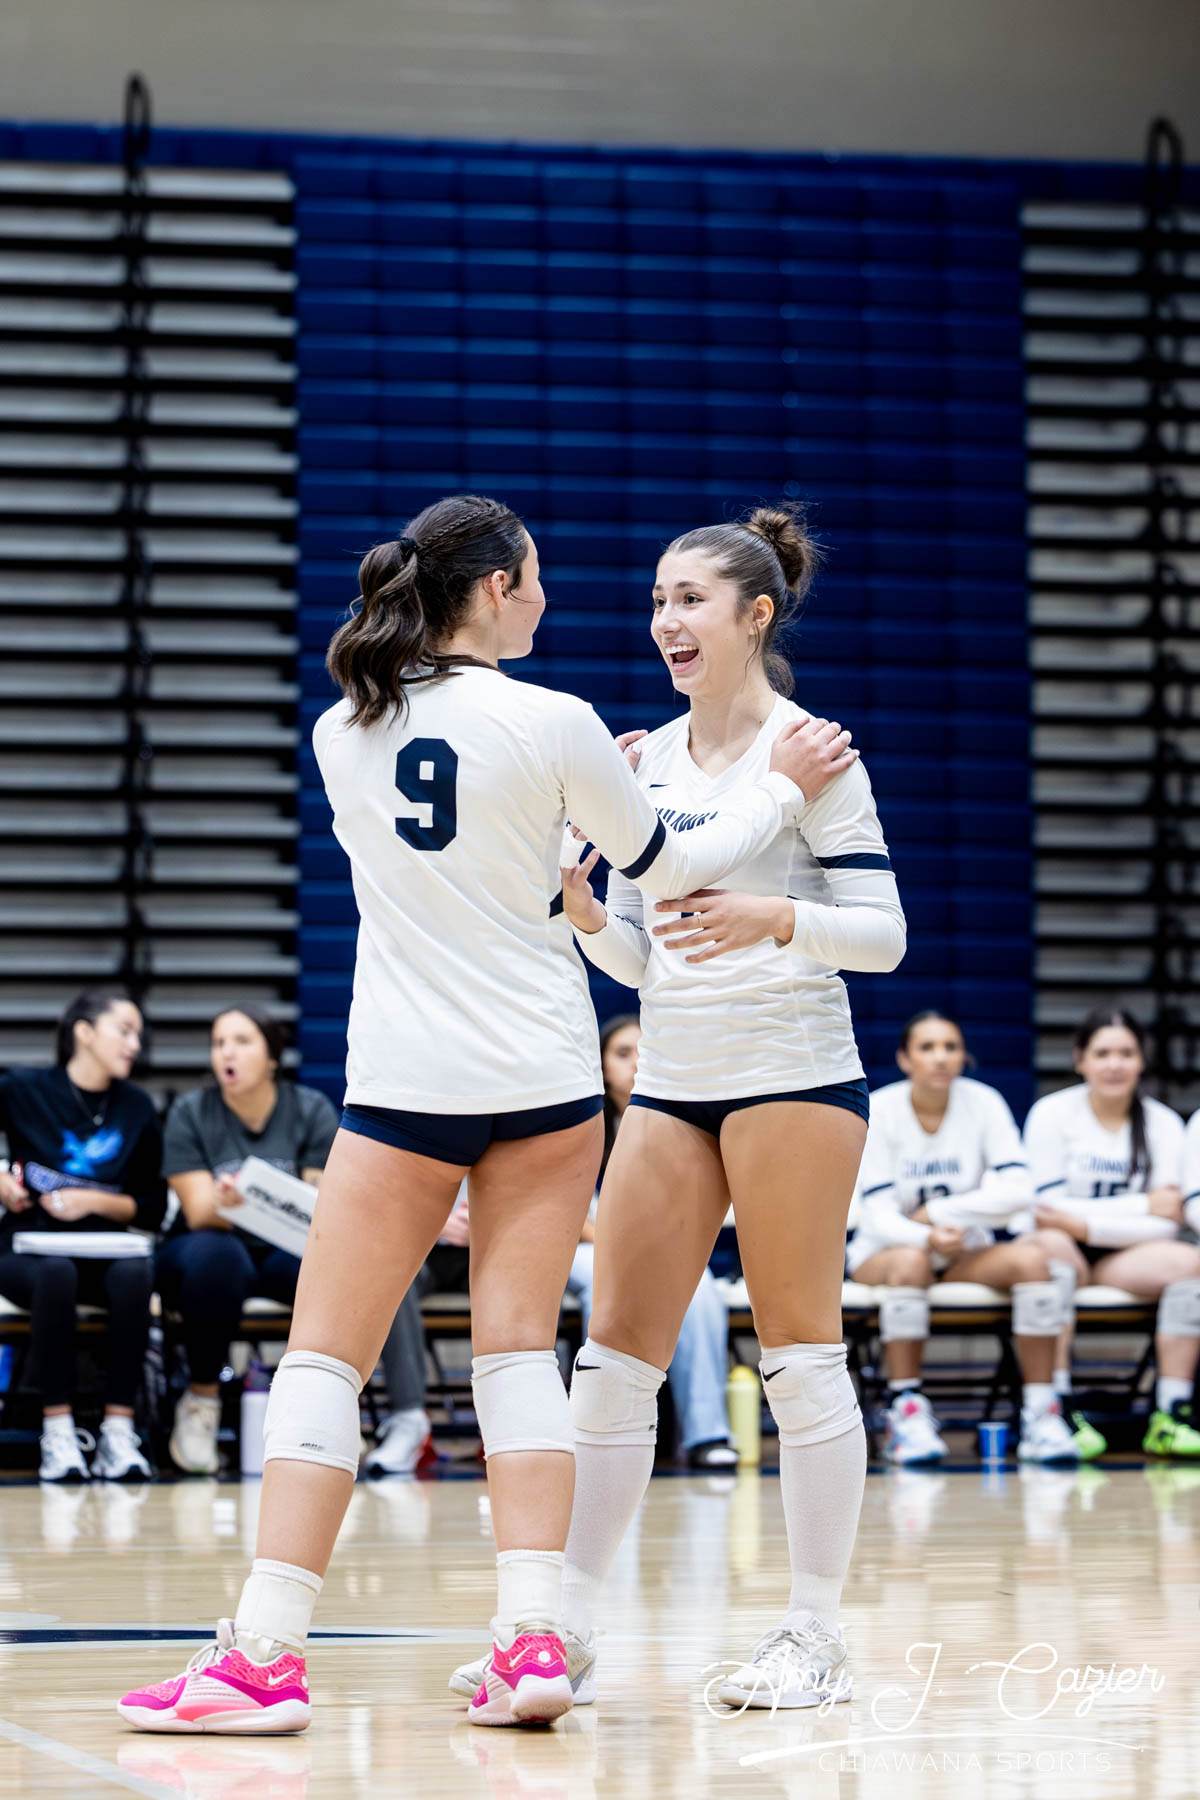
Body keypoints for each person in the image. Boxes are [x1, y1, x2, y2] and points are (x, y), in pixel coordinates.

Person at [118, 491, 844, 1734]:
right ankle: (532, 1642)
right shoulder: (559, 722)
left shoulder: (339, 729)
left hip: (409, 1083)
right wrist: (777, 793)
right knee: (517, 1357)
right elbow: (672, 867)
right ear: (497, 588)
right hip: (547, 1082)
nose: (550, 600)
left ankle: (265, 1653)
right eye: (537, 579)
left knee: (323, 1363)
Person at [451, 503, 902, 1715]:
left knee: (799, 1357)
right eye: (657, 600)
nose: (665, 620)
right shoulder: (641, 763)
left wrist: (778, 917)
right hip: (674, 1080)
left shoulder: (813, 753)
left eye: (690, 599)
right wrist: (588, 914)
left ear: (756, 615)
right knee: (612, 1364)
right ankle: (567, 1630)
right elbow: (650, 964)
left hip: (795, 1073)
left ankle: (813, 1635)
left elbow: (885, 936)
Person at [847, 1011, 1073, 1465]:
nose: (940, 1057)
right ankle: (906, 1412)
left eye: (950, 1047)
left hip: (962, 1249)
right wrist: (927, 1237)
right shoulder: (880, 1109)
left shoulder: (984, 1103)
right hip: (884, 1252)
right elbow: (879, 1216)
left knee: (1033, 1262)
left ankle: (1040, 1414)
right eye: (927, 1047)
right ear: (905, 1059)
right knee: (911, 1261)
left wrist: (940, 1214)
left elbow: (1019, 1191)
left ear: (963, 1056)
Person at [156, 1007, 343, 1474]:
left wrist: (251, 1200)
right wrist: (235, 1204)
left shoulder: (310, 1109)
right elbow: (199, 1211)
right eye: (219, 1043)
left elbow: (317, 1205)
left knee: (326, 1266)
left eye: (242, 1042)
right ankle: (201, 1401)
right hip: (206, 1246)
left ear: (272, 1057)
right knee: (219, 1260)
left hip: (281, 1247)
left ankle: (319, 1408)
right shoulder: (190, 1112)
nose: (227, 1053)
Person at [1018, 1008, 1200, 1461]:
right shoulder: (1051, 1114)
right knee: (1052, 1249)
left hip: (1123, 1256)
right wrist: (1139, 1205)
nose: (1114, 1064)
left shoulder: (1163, 1123)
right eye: (1102, 1053)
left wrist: (1084, 1223)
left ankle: (1170, 1413)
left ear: (1142, 1061)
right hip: (1059, 1249)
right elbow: (1047, 1211)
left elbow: (1167, 1221)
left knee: (1192, 1264)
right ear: (1080, 1060)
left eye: (1126, 1053)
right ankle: (1056, 1410)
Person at [0, 988, 164, 1482]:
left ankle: (118, 1432)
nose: (135, 1044)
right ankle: (58, 1432)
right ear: (85, 1033)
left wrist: (93, 1202)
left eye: (138, 1035)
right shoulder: (23, 1089)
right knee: (56, 1274)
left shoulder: (137, 1107)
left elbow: (152, 1208)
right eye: (124, 1031)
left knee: (136, 1274)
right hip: (28, 1245)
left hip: (105, 1246)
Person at [566, 1014, 737, 1470]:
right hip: (581, 1248)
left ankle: (707, 1434)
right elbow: (565, 1212)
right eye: (623, 1053)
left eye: (645, 1050)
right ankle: (602, 1430)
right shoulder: (580, 1119)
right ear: (601, 1066)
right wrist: (625, 1247)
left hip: (655, 1250)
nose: (636, 1062)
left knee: (701, 1288)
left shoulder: (680, 1123)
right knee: (609, 1285)